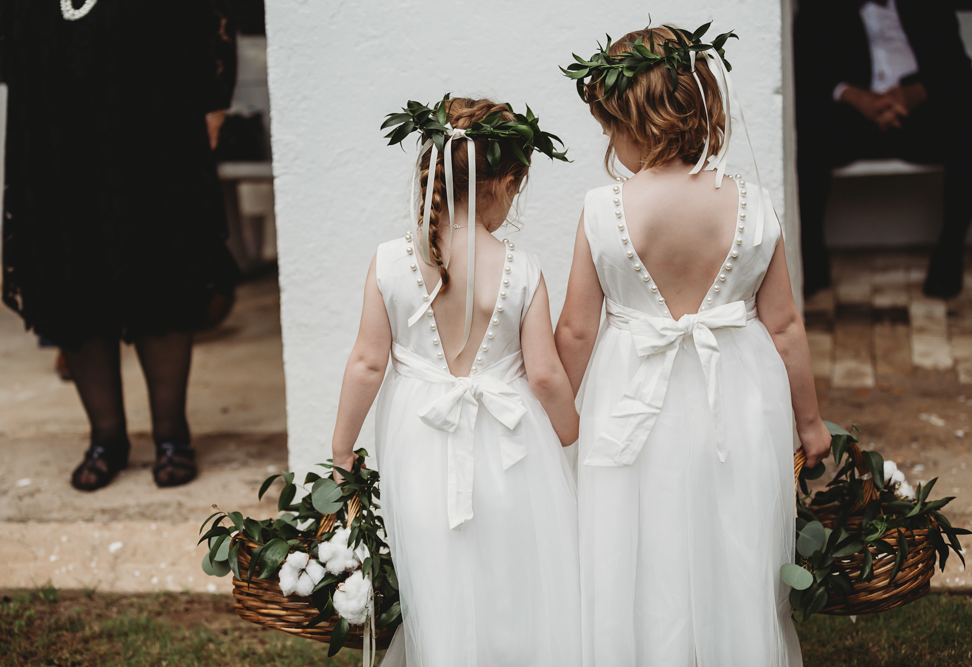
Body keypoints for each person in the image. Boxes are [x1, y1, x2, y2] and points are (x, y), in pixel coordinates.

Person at [556, 25, 831, 666]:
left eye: (608, 129)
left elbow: (575, 330)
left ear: (630, 121)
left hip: (630, 390)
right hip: (739, 390)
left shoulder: (605, 210)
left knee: (639, 538)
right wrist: (809, 421)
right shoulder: (753, 203)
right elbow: (785, 325)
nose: (608, 144)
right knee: (735, 533)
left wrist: (556, 415)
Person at [329, 96, 582, 666]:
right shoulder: (522, 268)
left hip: (420, 444)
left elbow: (367, 363)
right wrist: (571, 436)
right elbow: (543, 374)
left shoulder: (390, 260)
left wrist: (343, 449)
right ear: (507, 181)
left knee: (437, 572)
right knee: (513, 575)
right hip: (515, 450)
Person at [0, 1, 240, 490]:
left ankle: (172, 434)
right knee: (72, 276)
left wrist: (214, 100)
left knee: (159, 270)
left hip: (151, 137)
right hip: (54, 142)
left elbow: (207, 19)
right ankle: (106, 437)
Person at [795, 0, 972, 298]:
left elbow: (957, 67)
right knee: (805, 130)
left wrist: (913, 93)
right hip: (850, 117)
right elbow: (804, 68)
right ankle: (810, 263)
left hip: (916, 115)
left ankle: (948, 255)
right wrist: (854, 97)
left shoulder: (928, 6)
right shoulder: (821, 7)